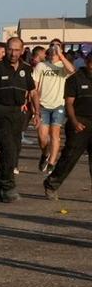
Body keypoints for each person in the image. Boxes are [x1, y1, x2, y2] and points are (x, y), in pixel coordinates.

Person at [0, 35, 35, 201]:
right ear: (6, 49)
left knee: (13, 151)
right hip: (0, 112)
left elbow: (32, 91)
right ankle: (7, 186)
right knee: (8, 150)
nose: (13, 53)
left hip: (17, 114)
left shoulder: (26, 68)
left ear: (22, 50)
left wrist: (37, 113)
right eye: (10, 49)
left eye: (17, 50)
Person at [42, 52, 92, 199]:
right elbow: (69, 103)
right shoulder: (75, 79)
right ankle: (51, 184)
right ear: (87, 61)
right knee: (69, 157)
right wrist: (75, 121)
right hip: (79, 122)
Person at [33, 40, 71, 174]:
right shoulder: (41, 66)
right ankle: (45, 153)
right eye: (52, 45)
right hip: (43, 105)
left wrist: (61, 55)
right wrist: (34, 107)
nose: (54, 48)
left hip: (58, 105)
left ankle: (52, 162)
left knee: (55, 135)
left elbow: (72, 71)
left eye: (57, 46)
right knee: (42, 137)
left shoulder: (62, 66)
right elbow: (35, 88)